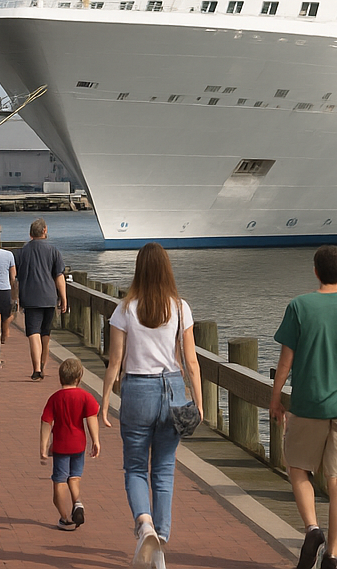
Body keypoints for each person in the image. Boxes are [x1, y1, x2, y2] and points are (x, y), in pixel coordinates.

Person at [269, 245, 337, 569]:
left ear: (315, 271)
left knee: (298, 468)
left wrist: (275, 398)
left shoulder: (299, 306)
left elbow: (285, 361)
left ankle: (313, 529)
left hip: (307, 405)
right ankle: (333, 556)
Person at [101, 242, 203, 569]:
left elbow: (115, 361)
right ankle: (161, 537)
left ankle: (144, 524)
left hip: (137, 389)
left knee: (135, 467)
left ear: (139, 269)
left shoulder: (125, 309)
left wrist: (105, 400)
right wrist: (198, 402)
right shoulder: (180, 308)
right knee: (164, 467)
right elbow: (191, 361)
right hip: (173, 389)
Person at [41, 356, 100, 530]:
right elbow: (92, 418)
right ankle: (77, 502)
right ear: (79, 377)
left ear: (60, 377)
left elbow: (46, 422)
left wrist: (43, 445)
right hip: (79, 444)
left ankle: (65, 518)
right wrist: (95, 441)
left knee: (60, 481)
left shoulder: (55, 398)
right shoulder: (86, 396)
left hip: (61, 445)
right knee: (74, 477)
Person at [13, 218, 67, 380]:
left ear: (30, 233)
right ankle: (43, 365)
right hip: (49, 297)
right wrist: (63, 298)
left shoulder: (21, 253)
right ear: (45, 231)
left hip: (30, 297)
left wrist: (15, 298)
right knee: (45, 333)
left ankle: (36, 368)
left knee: (33, 333)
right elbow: (59, 276)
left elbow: (15, 279)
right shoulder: (53, 251)